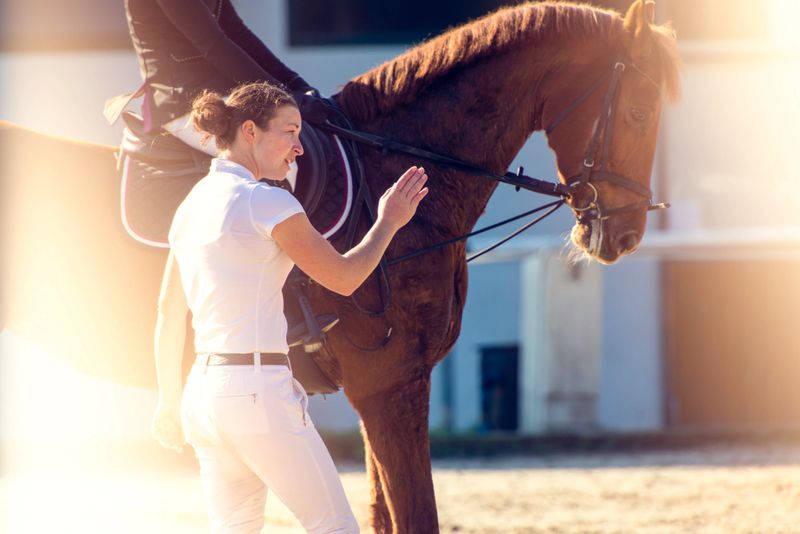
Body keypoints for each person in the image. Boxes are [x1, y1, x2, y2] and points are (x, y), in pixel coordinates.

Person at [151, 81, 429, 533]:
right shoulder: (267, 201)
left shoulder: (191, 204)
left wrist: (167, 402)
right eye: (290, 132)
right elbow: (343, 278)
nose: (299, 148)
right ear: (250, 132)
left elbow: (168, 313)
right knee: (335, 525)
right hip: (256, 391)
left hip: (200, 396)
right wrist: (388, 222)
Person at [110, 0, 313, 160]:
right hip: (183, 105)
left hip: (221, 97)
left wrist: (297, 84)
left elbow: (237, 32)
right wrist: (284, 97)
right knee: (277, 153)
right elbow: (212, 43)